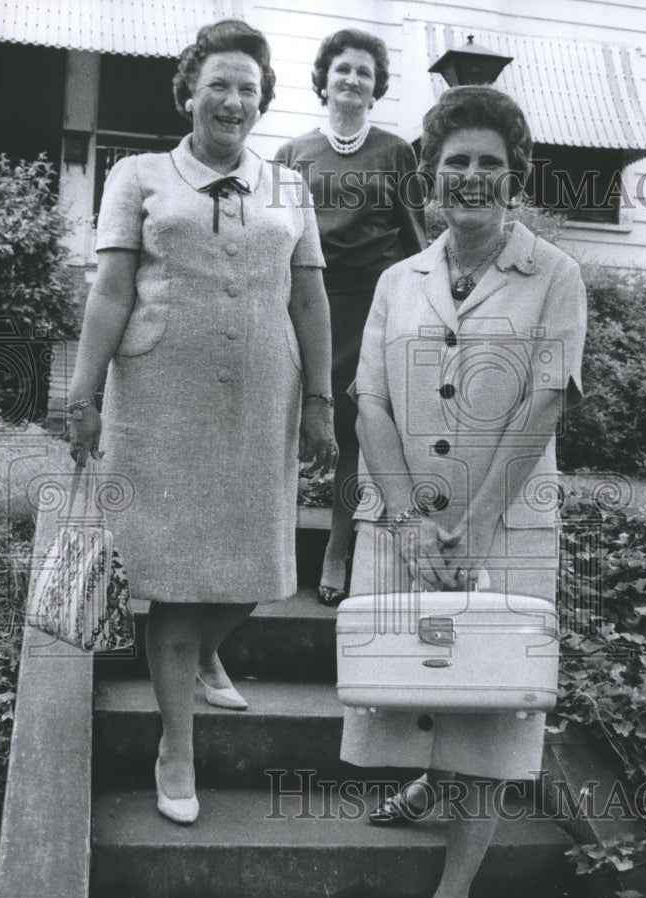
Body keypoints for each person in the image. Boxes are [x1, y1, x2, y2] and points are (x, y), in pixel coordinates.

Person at [340, 85, 586, 898]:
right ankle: (427, 781)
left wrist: (477, 526)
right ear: (433, 181)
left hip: (508, 524)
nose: (472, 177)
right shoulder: (394, 280)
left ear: (514, 175)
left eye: (489, 162)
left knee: (484, 709)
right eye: (456, 164)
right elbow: (368, 397)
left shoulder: (555, 275)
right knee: (413, 674)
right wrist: (406, 516)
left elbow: (547, 398)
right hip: (407, 517)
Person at [67, 19, 336, 825]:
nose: (233, 100)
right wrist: (80, 394)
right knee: (176, 586)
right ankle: (175, 746)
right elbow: (111, 291)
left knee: (258, 568)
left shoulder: (289, 187)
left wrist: (322, 397)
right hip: (160, 397)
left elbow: (310, 296)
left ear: (263, 102)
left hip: (263, 396)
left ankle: (209, 654)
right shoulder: (139, 175)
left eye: (249, 88)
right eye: (218, 83)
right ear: (189, 91)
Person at [275, 29, 426, 606]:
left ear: (375, 86)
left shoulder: (396, 153)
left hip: (367, 310)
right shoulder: (290, 155)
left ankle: (338, 550)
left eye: (364, 72)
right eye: (343, 69)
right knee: (283, 422)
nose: (353, 80)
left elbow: (415, 244)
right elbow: (270, 240)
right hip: (300, 305)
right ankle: (276, 547)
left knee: (353, 430)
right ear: (325, 77)